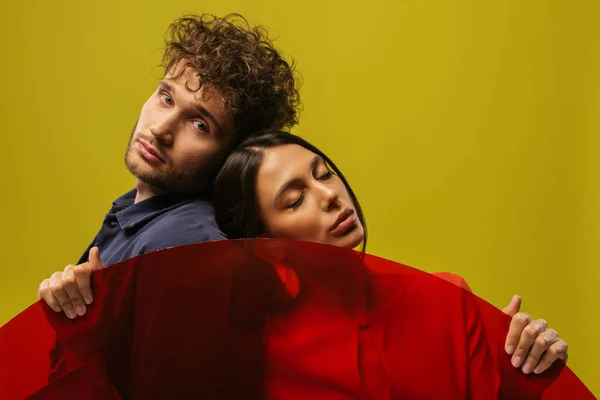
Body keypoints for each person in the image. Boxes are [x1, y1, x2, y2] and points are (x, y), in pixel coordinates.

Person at [35, 13, 300, 379]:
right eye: (165, 97)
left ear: (230, 157)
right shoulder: (138, 211)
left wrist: (84, 341)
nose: (160, 129)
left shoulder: (184, 248)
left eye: (200, 124)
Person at [212, 131, 569, 381]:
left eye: (325, 174)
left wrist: (517, 372)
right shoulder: (257, 358)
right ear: (266, 246)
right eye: (295, 199)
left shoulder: (449, 298)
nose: (330, 194)